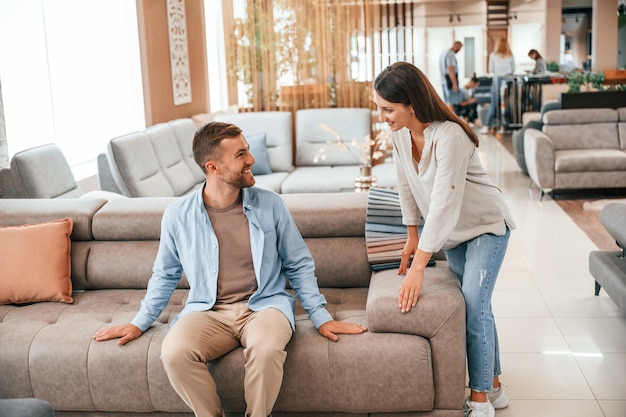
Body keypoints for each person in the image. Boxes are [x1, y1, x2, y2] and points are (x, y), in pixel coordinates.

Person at [93, 121, 368, 417]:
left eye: (248, 150)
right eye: (240, 155)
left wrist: (320, 316)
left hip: (264, 308)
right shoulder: (177, 216)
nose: (251, 160)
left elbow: (298, 263)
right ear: (213, 166)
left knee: (265, 350)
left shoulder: (270, 205)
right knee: (174, 353)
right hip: (208, 312)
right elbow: (165, 273)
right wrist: (140, 321)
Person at [373, 62, 516, 417]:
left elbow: (443, 204)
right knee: (478, 306)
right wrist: (411, 236)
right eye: (379, 108)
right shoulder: (401, 136)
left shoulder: (449, 136)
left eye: (387, 109)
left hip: (485, 226)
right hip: (452, 236)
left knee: (472, 303)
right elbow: (406, 186)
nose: (382, 116)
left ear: (411, 104)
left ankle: (481, 399)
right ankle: (495, 386)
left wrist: (420, 265)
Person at [480, 38, 516, 134]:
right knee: (506, 104)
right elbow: (513, 70)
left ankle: (487, 126)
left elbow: (491, 69)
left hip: (497, 80)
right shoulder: (510, 55)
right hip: (508, 81)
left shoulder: (493, 55)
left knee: (494, 104)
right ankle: (504, 127)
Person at [439, 41, 463, 111]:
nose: (459, 50)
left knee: (447, 101)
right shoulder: (451, 54)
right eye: (459, 48)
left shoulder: (444, 53)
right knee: (452, 103)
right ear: (456, 46)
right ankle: (451, 120)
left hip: (443, 81)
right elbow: (451, 69)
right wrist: (454, 83)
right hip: (449, 81)